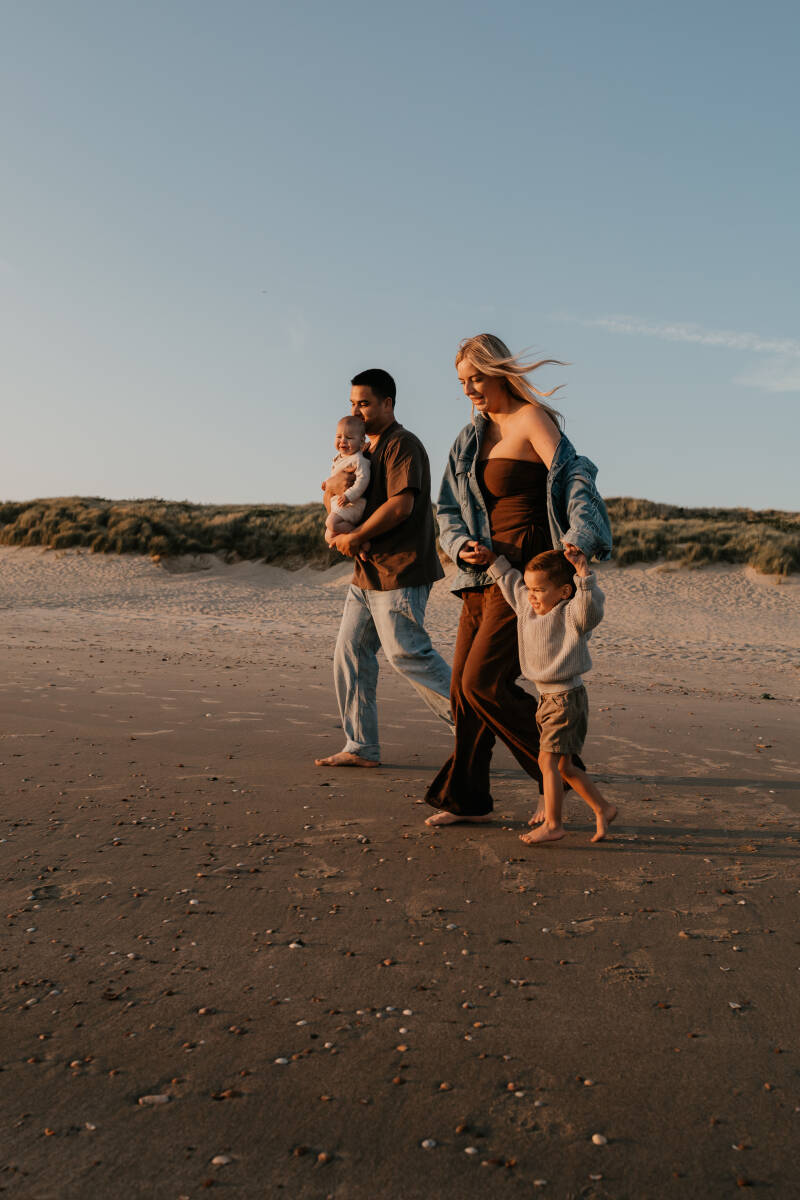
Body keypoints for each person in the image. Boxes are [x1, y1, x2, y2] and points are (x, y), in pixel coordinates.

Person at [425, 333, 612, 828]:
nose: (469, 390)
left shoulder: (533, 420)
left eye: (476, 378)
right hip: (481, 572)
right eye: (462, 382)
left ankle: (564, 776)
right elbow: (446, 507)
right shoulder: (470, 438)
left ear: (500, 372)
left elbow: (575, 475)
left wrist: (578, 533)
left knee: (482, 682)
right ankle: (464, 798)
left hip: (527, 578)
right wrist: (458, 543)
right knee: (463, 694)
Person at [315, 368, 453, 768]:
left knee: (407, 653)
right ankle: (361, 746)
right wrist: (335, 508)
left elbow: (402, 505)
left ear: (388, 403)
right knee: (351, 653)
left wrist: (355, 538)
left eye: (365, 403)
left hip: (402, 568)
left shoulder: (402, 444)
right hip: (367, 573)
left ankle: (471, 726)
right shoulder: (362, 452)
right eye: (353, 403)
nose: (358, 409)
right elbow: (332, 492)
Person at [471, 542, 617, 844]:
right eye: (530, 588)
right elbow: (510, 582)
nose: (531, 595)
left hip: (565, 699)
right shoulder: (527, 606)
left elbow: (591, 607)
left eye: (538, 590)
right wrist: (492, 561)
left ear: (563, 592)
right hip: (548, 699)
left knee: (547, 763)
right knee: (565, 766)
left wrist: (583, 573)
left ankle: (554, 824)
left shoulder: (572, 615)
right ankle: (603, 808)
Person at [324, 414, 371, 548]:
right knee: (328, 535)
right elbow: (335, 480)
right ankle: (360, 549)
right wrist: (327, 484)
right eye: (339, 437)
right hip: (341, 505)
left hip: (353, 504)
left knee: (332, 523)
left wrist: (348, 496)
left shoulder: (359, 460)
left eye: (349, 438)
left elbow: (363, 480)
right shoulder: (339, 458)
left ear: (362, 442)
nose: (343, 441)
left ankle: (360, 538)